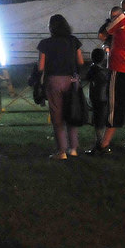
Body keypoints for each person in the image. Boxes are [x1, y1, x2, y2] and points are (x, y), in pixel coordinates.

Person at [88, 0, 125, 154]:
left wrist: (111, 21)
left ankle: (103, 144)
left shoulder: (122, 18)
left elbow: (104, 34)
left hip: (120, 66)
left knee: (115, 104)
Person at [36, 13, 84, 160]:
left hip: (54, 80)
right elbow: (81, 61)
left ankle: (61, 151)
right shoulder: (73, 41)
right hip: (72, 80)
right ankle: (73, 148)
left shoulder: (45, 43)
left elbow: (41, 67)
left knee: (57, 116)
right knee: (72, 112)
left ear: (51, 27)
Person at [85, 47, 110, 149]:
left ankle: (99, 142)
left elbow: (87, 78)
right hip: (104, 98)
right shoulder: (104, 72)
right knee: (102, 120)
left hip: (96, 99)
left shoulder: (93, 70)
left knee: (98, 121)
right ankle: (101, 141)